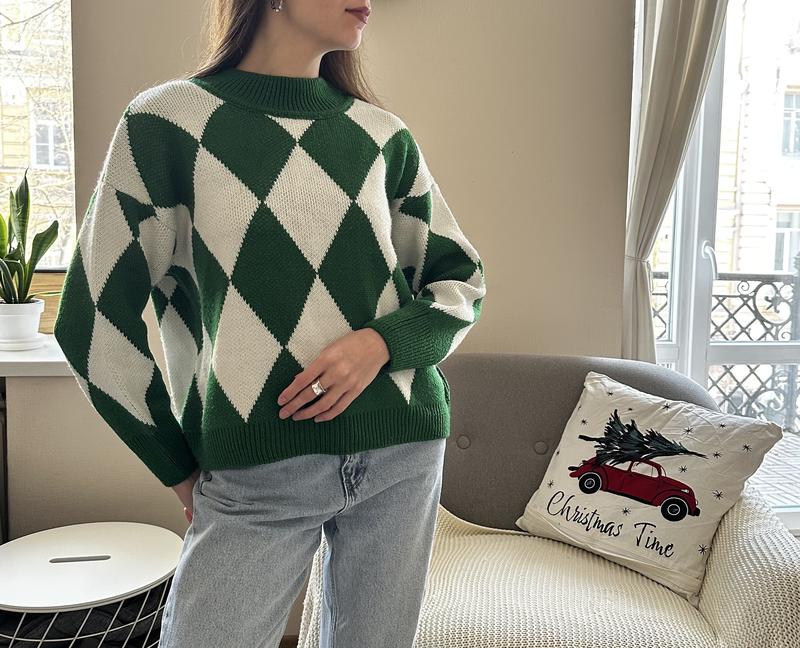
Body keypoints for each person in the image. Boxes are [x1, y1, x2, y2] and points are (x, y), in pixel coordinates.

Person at [52, 0, 486, 646]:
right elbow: (90, 321)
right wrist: (175, 464)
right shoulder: (166, 125)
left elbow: (460, 281)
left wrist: (379, 344)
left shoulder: (381, 137)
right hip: (255, 471)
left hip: (403, 453)